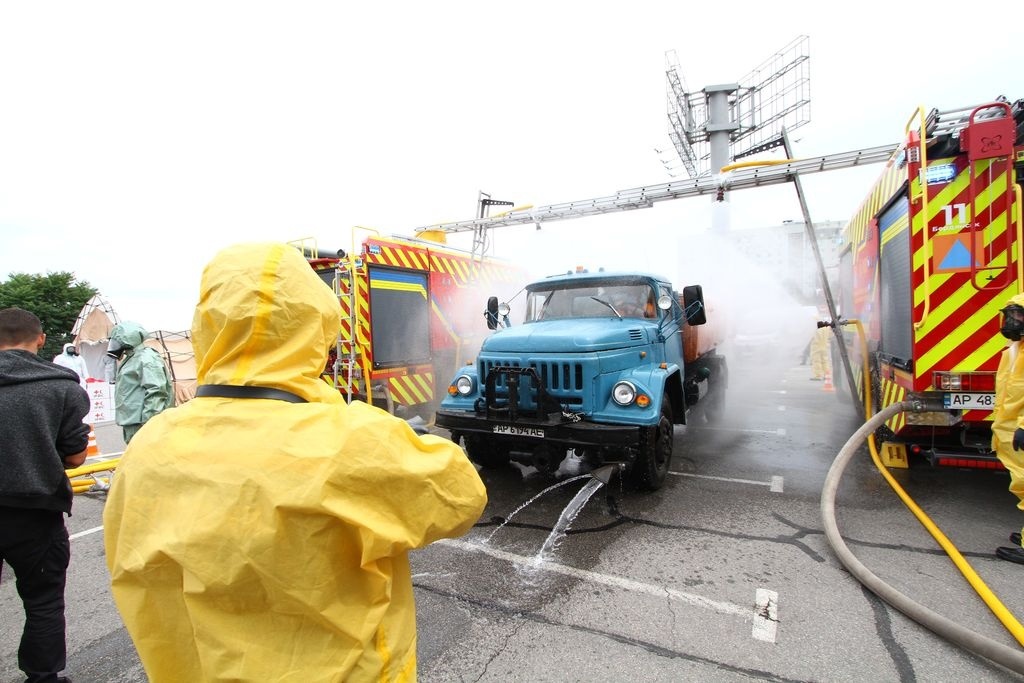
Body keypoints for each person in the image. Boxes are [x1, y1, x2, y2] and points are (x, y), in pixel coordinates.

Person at [103, 242, 487, 682]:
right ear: (318, 329)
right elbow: (461, 496)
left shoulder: (148, 448)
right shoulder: (350, 440)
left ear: (207, 328)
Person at [0, 307, 90, 683]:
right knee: (43, 599)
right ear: (40, 339)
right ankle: (42, 676)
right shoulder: (63, 387)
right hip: (36, 511)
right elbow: (75, 455)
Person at [990, 295, 1024, 564]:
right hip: (1009, 428)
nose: (1013, 321)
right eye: (1012, 314)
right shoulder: (1016, 349)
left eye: (1020, 315)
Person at [105, 321, 173, 444]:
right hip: (133, 421)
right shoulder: (132, 358)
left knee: (147, 458)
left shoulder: (145, 358)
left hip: (142, 423)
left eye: (116, 340)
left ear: (127, 339)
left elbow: (156, 391)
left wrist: (149, 422)